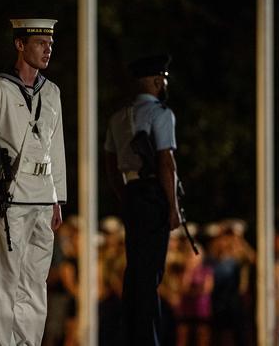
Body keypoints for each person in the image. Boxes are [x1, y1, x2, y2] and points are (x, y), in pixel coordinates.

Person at [0, 18, 67, 346]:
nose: (48, 49)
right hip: (10, 196)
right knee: (5, 281)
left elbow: (56, 149)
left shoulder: (52, 92)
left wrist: (59, 196)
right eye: (40, 42)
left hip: (43, 196)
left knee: (35, 282)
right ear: (20, 44)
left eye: (50, 43)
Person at [104, 54, 181, 345]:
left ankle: (133, 335)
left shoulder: (119, 116)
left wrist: (124, 195)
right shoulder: (161, 114)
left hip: (133, 193)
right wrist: (171, 207)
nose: (163, 84)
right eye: (161, 78)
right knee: (150, 273)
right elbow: (165, 161)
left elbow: (110, 164)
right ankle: (147, 339)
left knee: (135, 270)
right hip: (152, 194)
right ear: (153, 80)